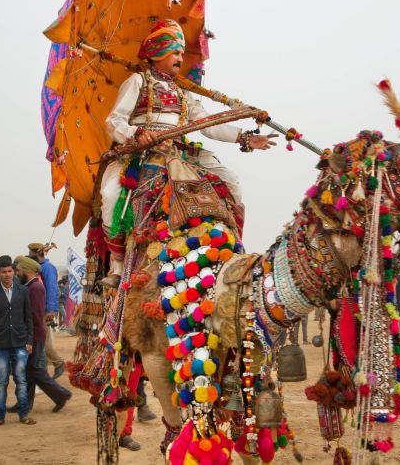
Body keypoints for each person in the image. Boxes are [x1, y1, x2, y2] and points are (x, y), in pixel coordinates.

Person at [98, 19, 275, 286]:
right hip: (139, 153)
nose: (181, 58)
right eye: (175, 52)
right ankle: (117, 263)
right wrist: (137, 134)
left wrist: (245, 137)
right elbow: (114, 121)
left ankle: (235, 245)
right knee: (111, 196)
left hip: (178, 153)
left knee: (231, 181)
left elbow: (206, 125)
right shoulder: (137, 81)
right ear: (158, 53)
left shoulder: (183, 92)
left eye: (181, 53)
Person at [12, 256, 71, 413]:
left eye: (18, 270)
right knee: (29, 371)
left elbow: (35, 315)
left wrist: (28, 336)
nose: (17, 273)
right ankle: (24, 403)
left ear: (26, 271)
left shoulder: (35, 288)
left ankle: (61, 394)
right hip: (34, 334)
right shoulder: (31, 286)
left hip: (34, 335)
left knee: (33, 370)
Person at [0, 257, 35, 428]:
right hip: (1, 345)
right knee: (1, 382)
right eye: (3, 272)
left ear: (14, 272)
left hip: (21, 342)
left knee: (21, 380)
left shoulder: (22, 291)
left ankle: (24, 414)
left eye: (9, 271)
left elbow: (29, 318)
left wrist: (29, 341)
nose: (7, 275)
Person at [27, 243, 66, 380]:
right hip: (38, 308)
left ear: (36, 253)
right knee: (41, 340)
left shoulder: (48, 268)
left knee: (42, 341)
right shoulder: (39, 267)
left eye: (30, 253)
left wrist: (51, 309)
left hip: (44, 309)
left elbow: (52, 289)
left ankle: (57, 363)